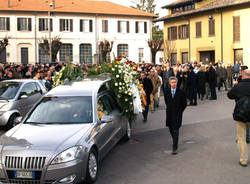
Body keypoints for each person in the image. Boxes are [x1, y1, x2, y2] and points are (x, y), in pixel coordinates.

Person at [227, 69, 250, 167]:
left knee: (241, 138)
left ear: (242, 75)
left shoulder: (238, 86)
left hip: (241, 113)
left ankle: (243, 159)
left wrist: (236, 85)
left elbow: (229, 95)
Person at [164, 76, 187, 155]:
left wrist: (180, 111)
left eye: (175, 82)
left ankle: (175, 147)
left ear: (177, 83)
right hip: (169, 113)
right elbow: (166, 101)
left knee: (176, 130)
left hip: (177, 114)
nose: (174, 84)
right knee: (171, 129)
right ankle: (175, 140)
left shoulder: (181, 92)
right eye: (172, 82)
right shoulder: (166, 91)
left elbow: (184, 104)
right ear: (170, 83)